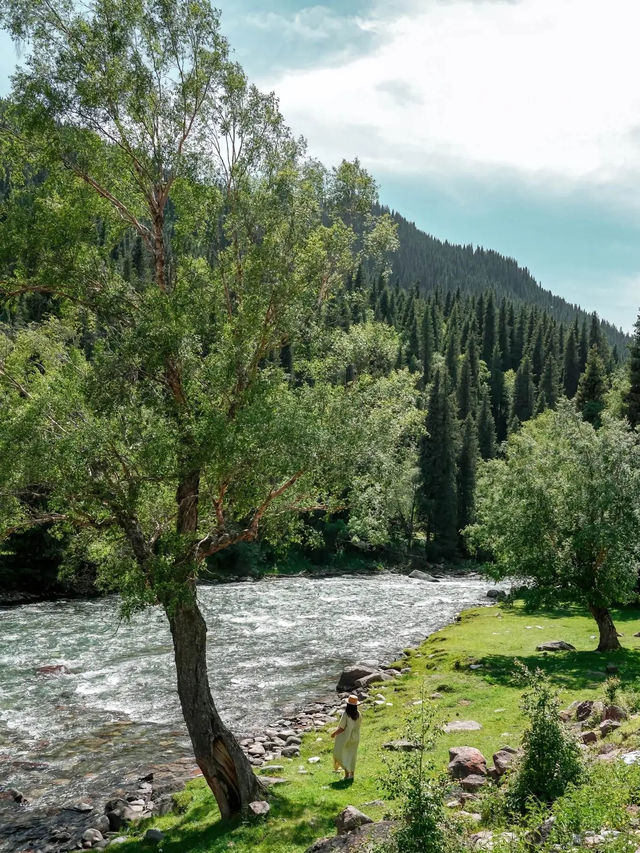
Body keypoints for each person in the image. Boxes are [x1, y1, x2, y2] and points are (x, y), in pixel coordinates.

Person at [331, 695, 362, 780]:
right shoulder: (358, 714)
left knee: (342, 754)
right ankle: (352, 774)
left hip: (346, 738)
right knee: (352, 755)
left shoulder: (346, 714)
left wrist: (334, 733)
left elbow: (342, 728)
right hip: (355, 738)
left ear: (348, 705)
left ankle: (346, 774)